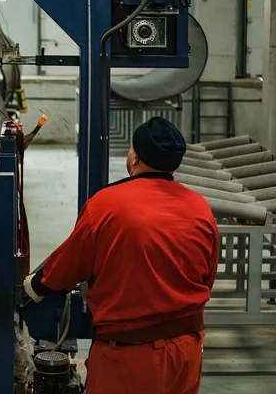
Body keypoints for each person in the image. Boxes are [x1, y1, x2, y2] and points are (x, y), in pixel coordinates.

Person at [23, 116, 219, 394]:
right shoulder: (200, 208)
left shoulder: (106, 205)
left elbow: (67, 267)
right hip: (186, 351)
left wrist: (35, 286)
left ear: (134, 157)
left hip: (128, 356)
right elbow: (206, 278)